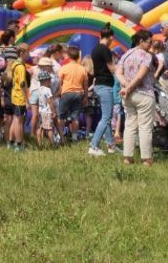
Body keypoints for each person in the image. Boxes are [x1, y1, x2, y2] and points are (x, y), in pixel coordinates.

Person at [118, 29, 158, 166]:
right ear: (141, 41)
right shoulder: (147, 56)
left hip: (128, 96)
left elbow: (118, 72)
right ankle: (146, 159)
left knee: (129, 126)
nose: (151, 45)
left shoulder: (126, 54)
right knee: (145, 127)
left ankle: (127, 157)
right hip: (144, 94)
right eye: (149, 42)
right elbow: (141, 76)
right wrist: (129, 87)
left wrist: (125, 85)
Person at [88, 24, 117, 156]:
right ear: (110, 37)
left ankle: (110, 145)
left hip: (100, 85)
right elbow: (112, 68)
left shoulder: (95, 49)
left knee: (107, 117)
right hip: (105, 86)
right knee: (106, 117)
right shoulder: (105, 49)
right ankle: (93, 146)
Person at [57, 47, 89, 142]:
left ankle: (60, 136)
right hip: (78, 94)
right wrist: (86, 97)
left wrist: (58, 93)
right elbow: (86, 84)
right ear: (78, 56)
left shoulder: (64, 68)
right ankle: (75, 136)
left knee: (61, 116)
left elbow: (60, 82)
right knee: (75, 117)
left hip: (66, 93)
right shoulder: (82, 69)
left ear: (69, 56)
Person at [6, 52, 28, 151]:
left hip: (14, 95)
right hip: (20, 97)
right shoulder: (21, 67)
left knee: (15, 119)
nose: (29, 55)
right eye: (28, 52)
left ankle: (10, 142)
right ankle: (19, 145)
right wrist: (27, 100)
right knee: (19, 121)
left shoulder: (14, 64)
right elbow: (23, 84)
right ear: (22, 53)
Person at [30, 70, 56, 147]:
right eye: (49, 80)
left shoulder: (39, 90)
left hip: (40, 111)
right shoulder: (48, 90)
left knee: (40, 127)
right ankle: (52, 144)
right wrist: (54, 112)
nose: (50, 81)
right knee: (49, 129)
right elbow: (50, 101)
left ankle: (39, 144)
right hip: (47, 112)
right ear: (46, 80)